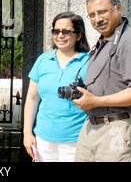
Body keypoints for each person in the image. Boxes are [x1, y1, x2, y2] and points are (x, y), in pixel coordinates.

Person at [73, 0, 131, 162]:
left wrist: (97, 101)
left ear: (118, 8)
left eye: (102, 12)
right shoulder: (103, 42)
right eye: (92, 15)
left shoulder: (130, 41)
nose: (97, 19)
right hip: (92, 128)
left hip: (117, 131)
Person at [23, 12, 90, 162]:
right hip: (43, 139)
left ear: (78, 35)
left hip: (76, 140)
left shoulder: (88, 62)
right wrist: (27, 133)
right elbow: (32, 98)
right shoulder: (43, 60)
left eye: (66, 31)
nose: (60, 35)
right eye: (56, 31)